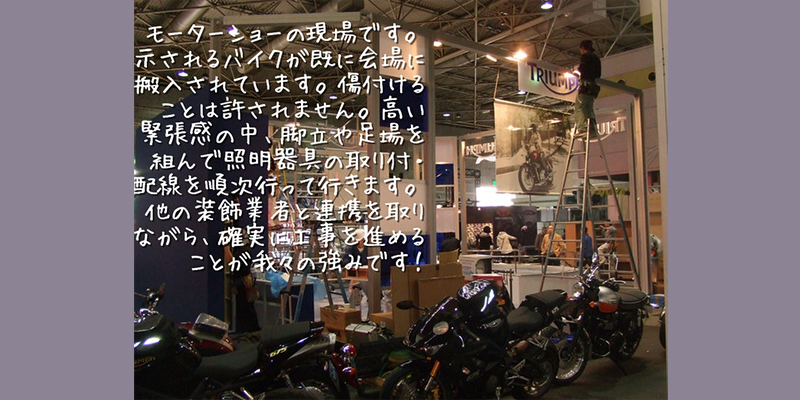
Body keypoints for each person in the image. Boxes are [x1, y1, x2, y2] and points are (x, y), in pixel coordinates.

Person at [226, 194, 261, 334]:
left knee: (245, 312)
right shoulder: (239, 230)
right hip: (243, 277)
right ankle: (252, 334)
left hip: (242, 278)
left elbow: (233, 261)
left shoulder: (238, 232)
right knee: (246, 312)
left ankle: (252, 335)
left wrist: (225, 248)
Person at [573, 39, 602, 137]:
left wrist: (577, 73)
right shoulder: (596, 58)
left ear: (582, 48)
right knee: (589, 108)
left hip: (586, 86)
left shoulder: (585, 56)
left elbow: (583, 69)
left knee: (579, 107)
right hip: (594, 88)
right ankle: (592, 129)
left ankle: (583, 129)